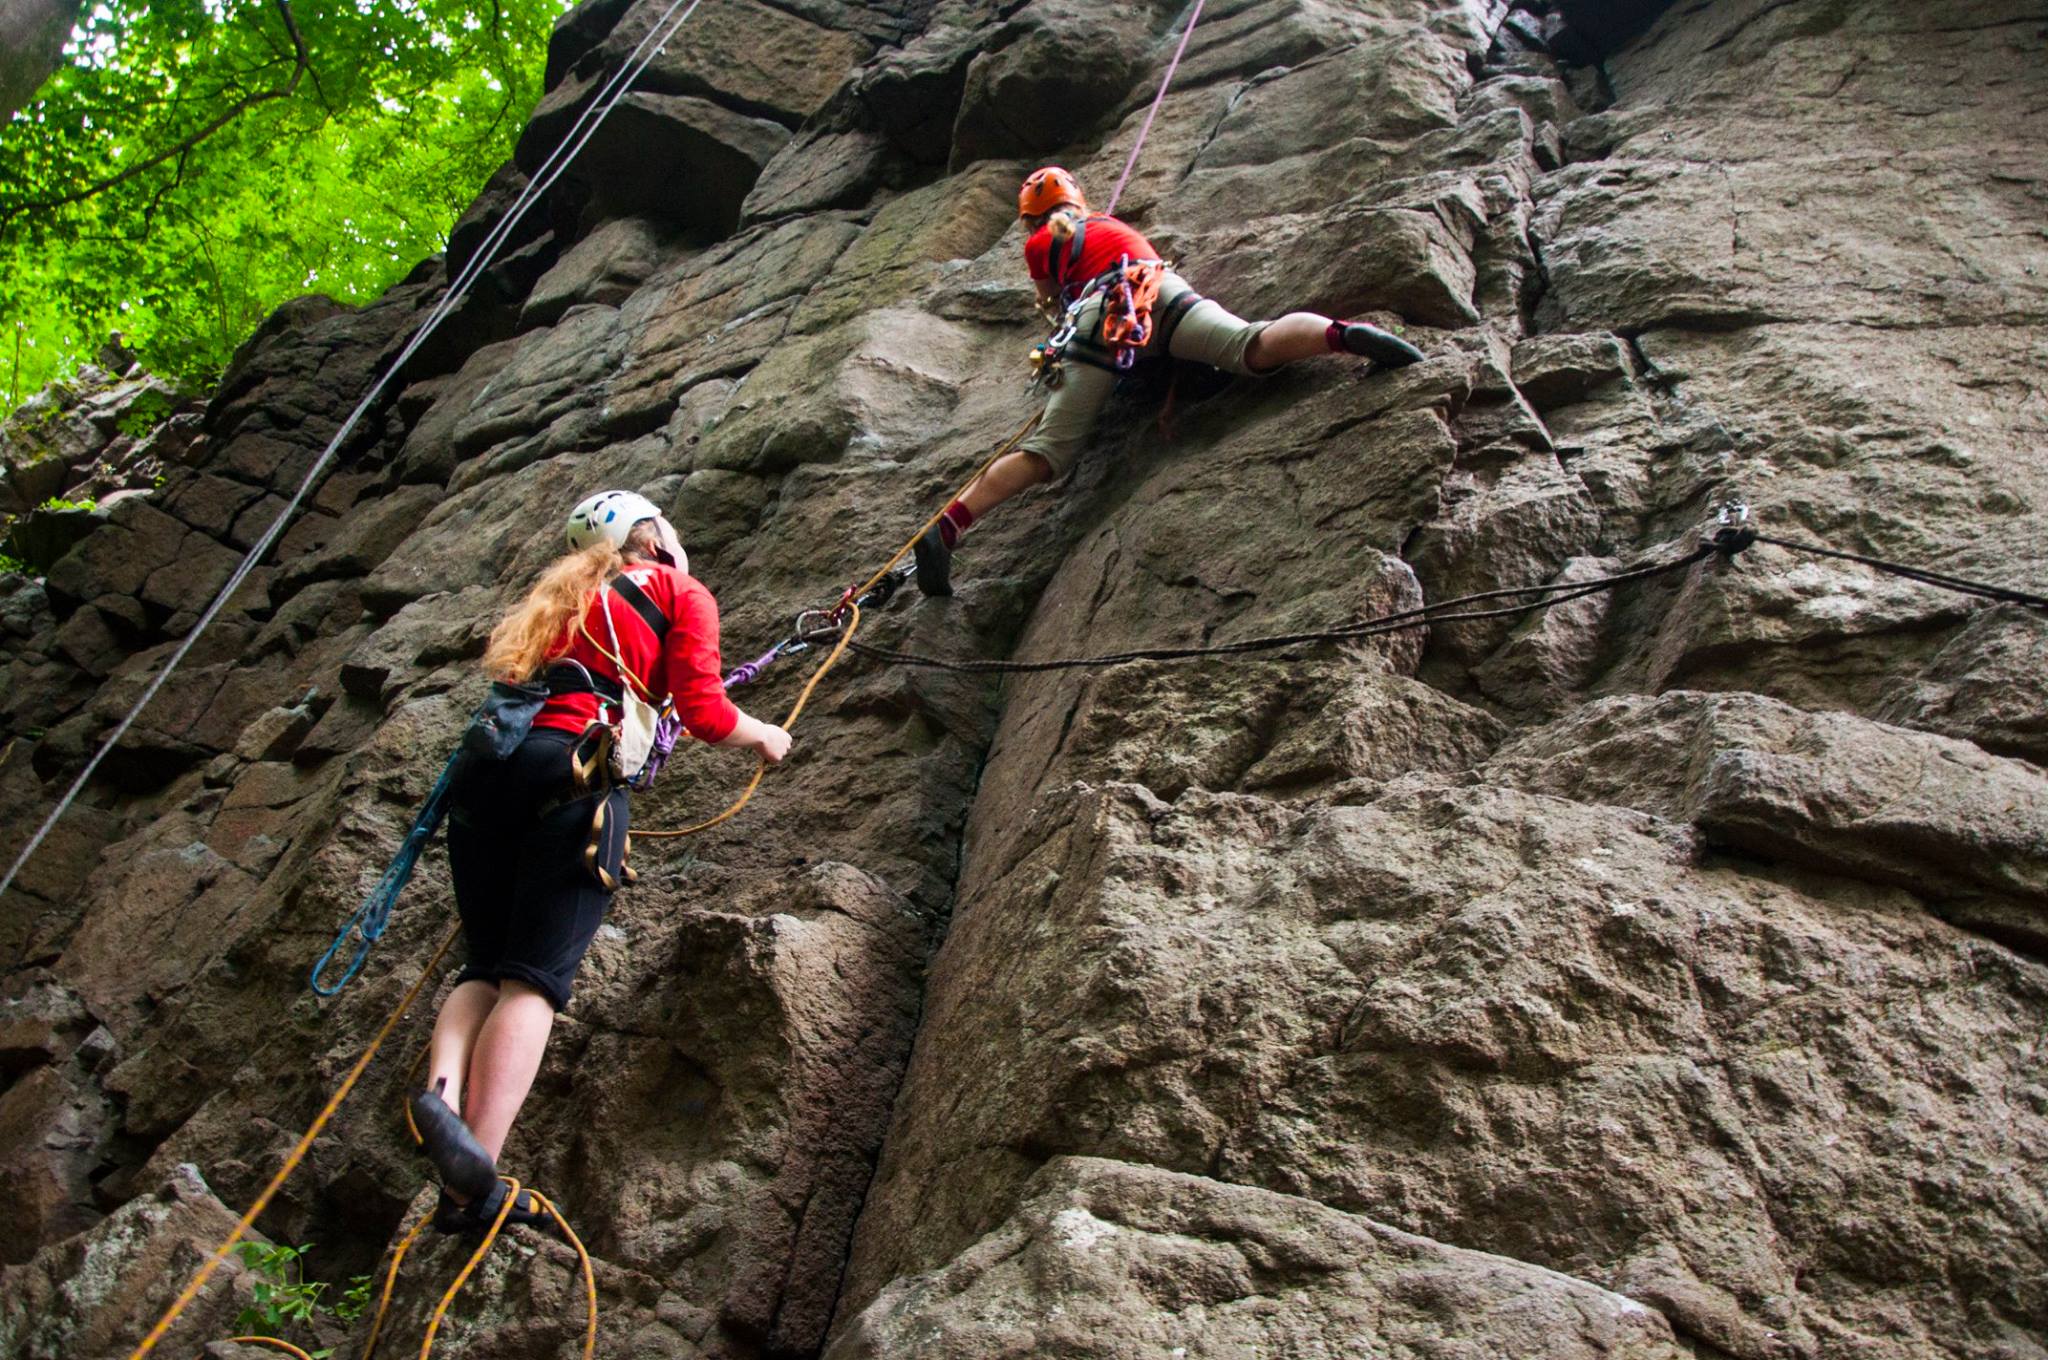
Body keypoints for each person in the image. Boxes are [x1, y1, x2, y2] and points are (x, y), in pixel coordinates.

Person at [408, 489, 793, 1233]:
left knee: (483, 965)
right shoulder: (680, 589)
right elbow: (707, 712)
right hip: (576, 776)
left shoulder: (562, 602)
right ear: (654, 539)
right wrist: (765, 735)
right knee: (535, 980)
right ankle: (471, 1186)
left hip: (486, 781)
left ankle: (445, 1096)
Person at [914, 166, 1428, 595]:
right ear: (1079, 201)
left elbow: (1055, 305)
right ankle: (1341, 335)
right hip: (1159, 288)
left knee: (1049, 451)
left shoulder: (1040, 244)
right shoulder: (1113, 226)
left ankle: (950, 526)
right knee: (1251, 343)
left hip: (1103, 315)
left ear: (1031, 221)